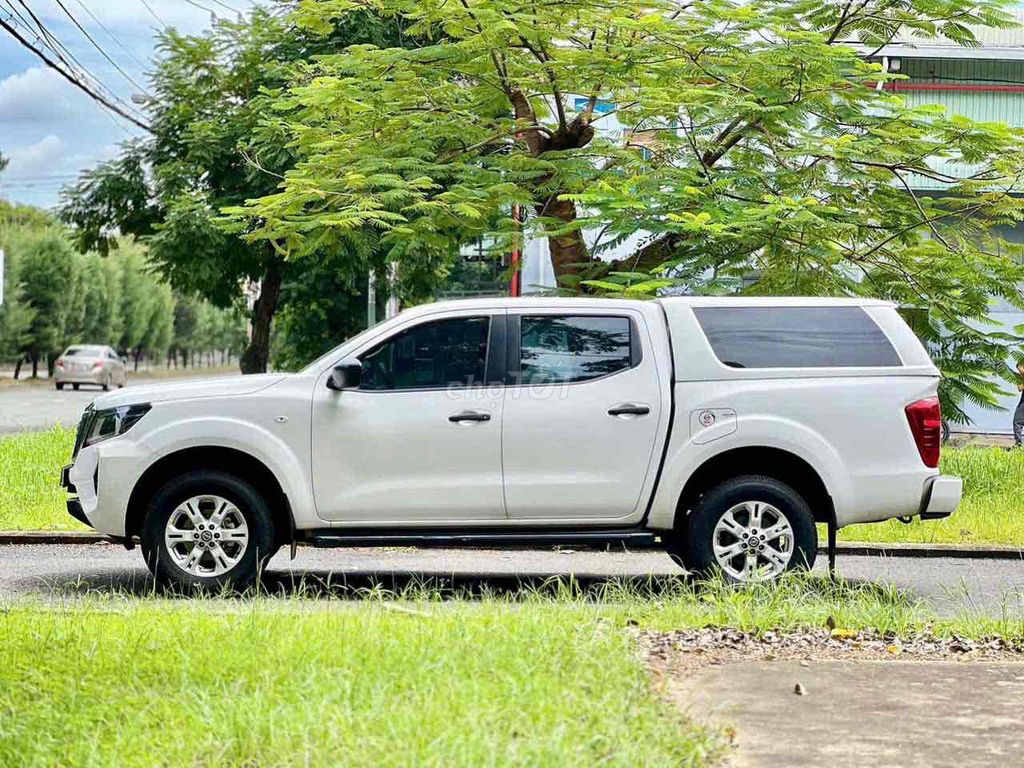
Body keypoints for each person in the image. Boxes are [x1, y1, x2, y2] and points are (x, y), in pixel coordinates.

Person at [1015, 362, 1024, 446]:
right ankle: (1018, 444)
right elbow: (1019, 388)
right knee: (1017, 421)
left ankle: (1018, 444)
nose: (1019, 372)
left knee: (1017, 422)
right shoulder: (1020, 377)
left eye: (1019, 369)